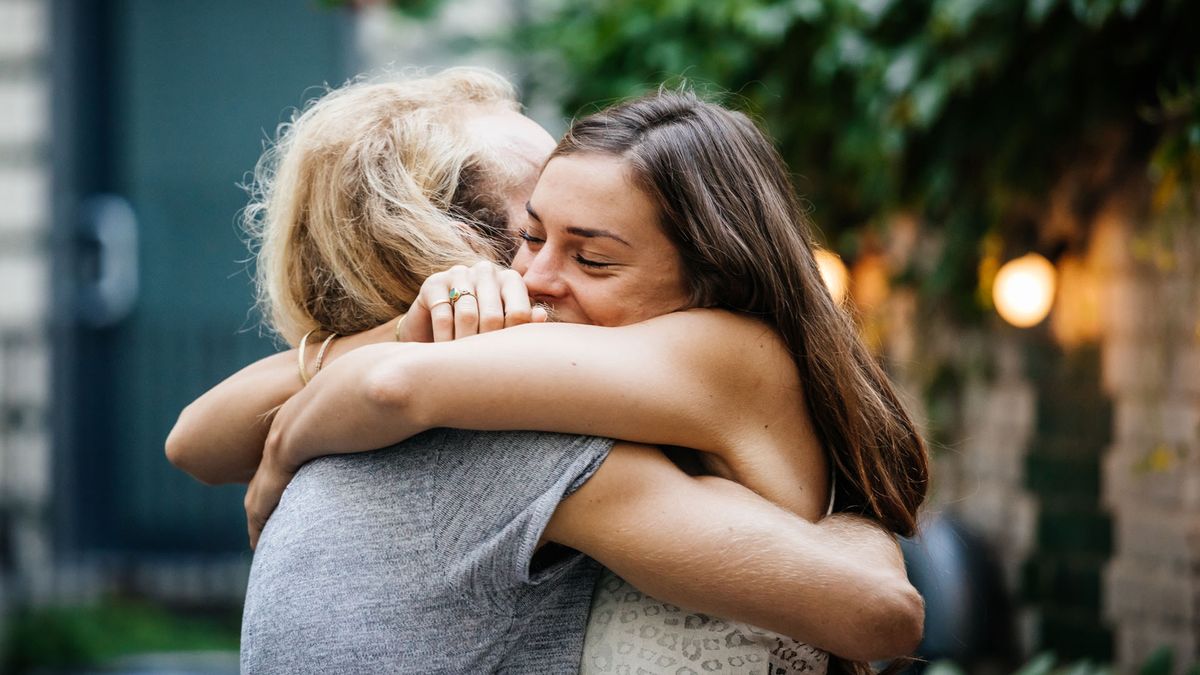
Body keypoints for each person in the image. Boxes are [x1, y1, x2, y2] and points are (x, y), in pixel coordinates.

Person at [168, 70, 924, 673]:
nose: (535, 276)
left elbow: (385, 387)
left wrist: (282, 451)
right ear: (454, 242)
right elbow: (196, 439)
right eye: (529, 231)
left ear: (711, 271)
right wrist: (403, 332)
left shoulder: (699, 356)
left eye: (591, 253)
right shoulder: (517, 418)